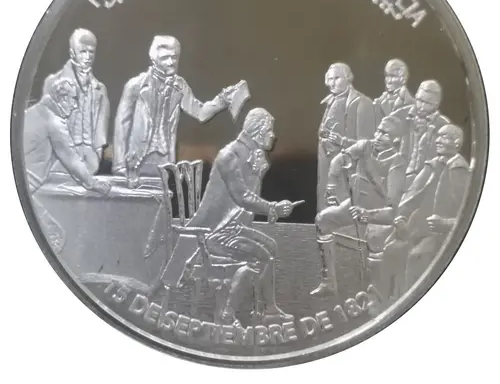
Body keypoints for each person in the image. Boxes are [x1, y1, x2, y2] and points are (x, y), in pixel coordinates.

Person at [158, 108, 295, 326]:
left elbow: (245, 205)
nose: (273, 136)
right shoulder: (229, 155)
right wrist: (273, 208)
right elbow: (241, 197)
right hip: (212, 232)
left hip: (232, 227)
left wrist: (258, 174)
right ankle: (227, 314)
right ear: (258, 131)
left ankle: (268, 310)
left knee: (271, 246)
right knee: (261, 256)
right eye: (269, 130)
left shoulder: (253, 155)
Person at [113, 35, 245, 183]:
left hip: (165, 160)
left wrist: (222, 100)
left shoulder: (179, 86)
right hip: (136, 161)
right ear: (154, 59)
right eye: (165, 58)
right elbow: (121, 126)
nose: (171, 62)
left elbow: (200, 112)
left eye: (174, 57)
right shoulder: (135, 86)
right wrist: (120, 165)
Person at [311, 115, 406, 299]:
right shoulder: (365, 146)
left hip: (378, 215)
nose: (378, 136)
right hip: (355, 205)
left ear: (396, 140)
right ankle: (329, 283)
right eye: (378, 131)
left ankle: (377, 294)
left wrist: (368, 215)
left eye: (385, 134)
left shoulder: (397, 164)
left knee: (375, 236)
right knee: (323, 220)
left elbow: (393, 211)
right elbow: (338, 160)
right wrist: (331, 186)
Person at [24, 78, 111, 252]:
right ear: (62, 98)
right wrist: (93, 183)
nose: (75, 106)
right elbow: (71, 159)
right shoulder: (53, 121)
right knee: (53, 238)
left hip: (23, 183)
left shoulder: (33, 112)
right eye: (73, 99)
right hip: (27, 188)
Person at [384, 124, 471, 293]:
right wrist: (401, 217)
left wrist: (445, 223)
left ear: (457, 142)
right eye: (438, 136)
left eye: (444, 137)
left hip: (442, 236)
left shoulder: (460, 171)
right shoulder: (432, 166)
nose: (438, 140)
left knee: (418, 256)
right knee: (391, 250)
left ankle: (409, 300)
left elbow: (469, 216)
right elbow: (412, 196)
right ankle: (387, 300)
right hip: (415, 231)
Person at [43, 28, 109, 174]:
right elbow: (46, 124)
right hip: (60, 158)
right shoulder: (53, 83)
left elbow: (101, 126)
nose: (87, 57)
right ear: (72, 53)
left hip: (90, 159)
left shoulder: (100, 89)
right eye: (83, 51)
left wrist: (98, 151)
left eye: (91, 52)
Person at [317, 63, 375, 211]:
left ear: (348, 78)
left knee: (344, 212)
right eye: (330, 79)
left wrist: (341, 141)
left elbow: (367, 145)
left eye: (337, 78)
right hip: (326, 168)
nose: (332, 83)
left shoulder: (363, 103)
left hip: (347, 170)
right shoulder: (329, 101)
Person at [392, 80, 449, 185]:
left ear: (436, 103)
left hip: (426, 180)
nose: (421, 107)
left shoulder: (443, 126)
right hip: (398, 175)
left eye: (427, 103)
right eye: (419, 100)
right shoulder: (402, 114)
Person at [373, 59, 414, 126]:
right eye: (387, 76)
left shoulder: (411, 104)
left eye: (393, 76)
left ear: (403, 79)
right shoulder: (378, 103)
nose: (389, 81)